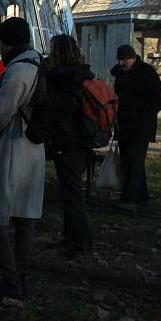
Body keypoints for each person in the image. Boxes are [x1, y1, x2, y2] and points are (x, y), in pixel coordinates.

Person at [0, 17, 45, 298]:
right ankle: (20, 274)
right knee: (24, 216)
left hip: (13, 148)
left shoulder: (17, 72)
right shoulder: (37, 64)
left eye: (0, 40)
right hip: (32, 148)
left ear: (8, 42)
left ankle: (11, 279)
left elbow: (1, 114)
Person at [43, 34, 95, 257]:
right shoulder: (82, 74)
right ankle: (71, 239)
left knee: (72, 196)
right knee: (71, 194)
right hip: (82, 142)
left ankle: (80, 244)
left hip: (67, 143)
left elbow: (57, 113)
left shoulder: (60, 79)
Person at [111, 44, 161, 213]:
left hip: (141, 126)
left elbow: (159, 98)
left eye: (124, 60)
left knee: (133, 162)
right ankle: (141, 197)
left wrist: (143, 114)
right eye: (119, 60)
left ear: (133, 58)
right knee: (132, 163)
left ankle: (128, 200)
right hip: (126, 125)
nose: (121, 63)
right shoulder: (122, 74)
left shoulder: (146, 73)